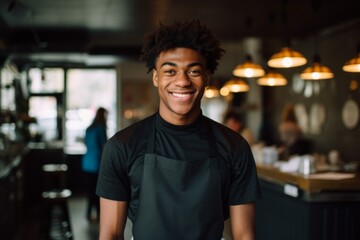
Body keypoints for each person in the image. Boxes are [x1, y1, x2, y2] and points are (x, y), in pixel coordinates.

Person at [96, 20, 261, 240]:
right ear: (156, 77)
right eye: (170, 71)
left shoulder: (235, 147)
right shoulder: (121, 147)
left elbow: (244, 236)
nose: (182, 81)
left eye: (193, 71)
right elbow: (111, 235)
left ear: (207, 78)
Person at [82, 107, 108, 222]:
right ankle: (98, 215)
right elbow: (105, 145)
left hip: (86, 161)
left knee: (89, 190)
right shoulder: (101, 127)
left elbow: (86, 143)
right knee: (98, 190)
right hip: (97, 162)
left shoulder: (89, 128)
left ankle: (88, 213)